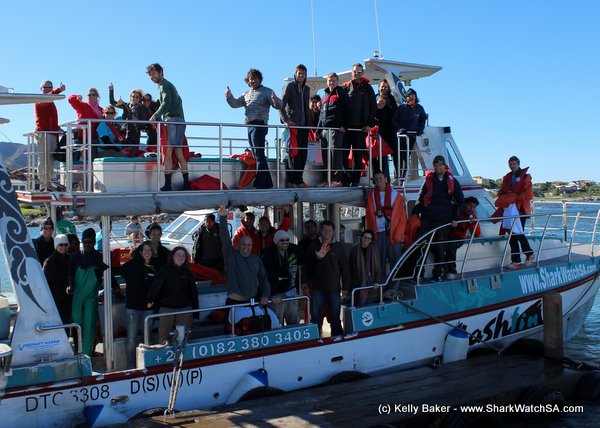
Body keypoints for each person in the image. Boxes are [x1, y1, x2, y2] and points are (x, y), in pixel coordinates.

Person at [226, 68, 283, 189]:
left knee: (258, 155)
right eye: (251, 79)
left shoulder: (267, 91)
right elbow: (235, 104)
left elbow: (279, 105)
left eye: (255, 78)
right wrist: (229, 97)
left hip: (259, 125)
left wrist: (275, 100)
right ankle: (267, 183)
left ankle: (259, 184)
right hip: (250, 126)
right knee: (257, 154)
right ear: (248, 80)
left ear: (260, 79)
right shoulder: (246, 94)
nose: (253, 81)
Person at [413, 155, 464, 281]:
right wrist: (415, 213)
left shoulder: (453, 182)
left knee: (439, 246)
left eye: (440, 165)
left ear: (444, 166)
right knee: (422, 245)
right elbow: (421, 198)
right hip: (427, 218)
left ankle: (438, 274)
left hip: (443, 219)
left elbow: (460, 201)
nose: (438, 167)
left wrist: (455, 218)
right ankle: (418, 274)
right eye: (436, 165)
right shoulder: (428, 181)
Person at [146, 63, 189, 191]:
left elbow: (166, 103)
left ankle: (168, 185)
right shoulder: (169, 85)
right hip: (180, 120)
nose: (152, 77)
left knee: (168, 152)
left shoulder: (163, 85)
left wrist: (155, 115)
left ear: (161, 72)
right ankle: (186, 184)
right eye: (150, 75)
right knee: (179, 152)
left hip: (171, 120)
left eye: (154, 73)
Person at [218, 204, 270, 309]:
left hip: (253, 303)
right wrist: (223, 217)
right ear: (238, 245)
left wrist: (265, 295)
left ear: (252, 246)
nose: (246, 247)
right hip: (234, 304)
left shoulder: (256, 259)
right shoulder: (231, 256)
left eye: (249, 245)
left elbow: (264, 279)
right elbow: (225, 238)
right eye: (243, 245)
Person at [306, 220, 350, 339]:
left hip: (334, 289)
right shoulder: (314, 245)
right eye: (325, 230)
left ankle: (337, 339)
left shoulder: (338, 246)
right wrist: (317, 258)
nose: (327, 232)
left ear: (333, 232)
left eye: (330, 230)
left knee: (335, 317)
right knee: (315, 317)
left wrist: (345, 287)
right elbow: (307, 266)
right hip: (317, 288)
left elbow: (345, 268)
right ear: (321, 231)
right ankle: (315, 340)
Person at [116, 241, 156, 366]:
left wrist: (153, 301)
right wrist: (116, 289)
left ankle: (146, 363)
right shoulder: (131, 265)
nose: (147, 252)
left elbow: (158, 287)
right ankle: (131, 365)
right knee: (132, 338)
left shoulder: (155, 268)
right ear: (140, 252)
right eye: (145, 250)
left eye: (149, 250)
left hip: (148, 308)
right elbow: (115, 271)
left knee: (147, 338)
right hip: (133, 307)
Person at [69, 228, 108, 356]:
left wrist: (116, 288)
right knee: (77, 324)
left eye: (90, 242)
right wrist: (70, 286)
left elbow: (108, 274)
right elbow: (70, 274)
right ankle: (78, 352)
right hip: (77, 296)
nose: (87, 244)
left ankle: (87, 355)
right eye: (85, 242)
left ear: (94, 242)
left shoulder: (99, 257)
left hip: (91, 297)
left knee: (89, 326)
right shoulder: (74, 256)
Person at [147, 246, 198, 343]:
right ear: (173, 256)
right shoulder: (165, 270)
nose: (180, 257)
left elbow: (193, 292)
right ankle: (162, 352)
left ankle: (182, 352)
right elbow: (156, 286)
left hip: (184, 308)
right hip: (167, 308)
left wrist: (196, 311)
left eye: (183, 255)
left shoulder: (188, 273)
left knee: (183, 337)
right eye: (178, 255)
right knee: (163, 335)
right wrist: (150, 299)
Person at [365, 171, 407, 287]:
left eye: (380, 178)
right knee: (379, 263)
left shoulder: (395, 195)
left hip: (392, 234)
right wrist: (370, 236)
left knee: (395, 262)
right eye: (376, 179)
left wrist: (398, 236)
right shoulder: (371, 196)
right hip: (377, 234)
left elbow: (402, 219)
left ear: (386, 179)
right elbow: (369, 217)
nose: (378, 180)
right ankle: (381, 289)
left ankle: (394, 289)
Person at [342, 63, 377, 187]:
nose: (357, 74)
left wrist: (369, 125)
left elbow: (373, 107)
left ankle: (355, 180)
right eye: (355, 72)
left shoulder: (368, 88)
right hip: (347, 127)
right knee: (344, 154)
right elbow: (340, 106)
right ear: (351, 73)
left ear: (362, 73)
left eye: (359, 72)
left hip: (361, 128)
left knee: (358, 155)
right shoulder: (346, 87)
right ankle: (346, 179)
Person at [498, 156, 534, 268]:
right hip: (509, 209)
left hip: (520, 210)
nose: (512, 166)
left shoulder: (526, 177)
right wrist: (505, 198)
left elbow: (529, 194)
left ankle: (529, 253)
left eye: (514, 164)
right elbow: (501, 191)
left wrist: (515, 198)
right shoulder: (507, 177)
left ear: (518, 164)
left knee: (518, 233)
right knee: (511, 235)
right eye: (510, 164)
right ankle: (516, 261)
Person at [262, 230, 305, 325]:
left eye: (287, 240)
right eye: (282, 240)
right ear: (276, 241)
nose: (285, 242)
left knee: (294, 321)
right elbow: (269, 276)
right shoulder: (269, 254)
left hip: (291, 291)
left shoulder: (293, 249)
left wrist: (317, 257)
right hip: (277, 295)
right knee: (277, 323)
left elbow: (306, 259)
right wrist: (273, 294)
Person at [280, 64, 311, 188]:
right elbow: (281, 105)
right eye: (299, 73)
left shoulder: (307, 89)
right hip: (293, 125)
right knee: (294, 153)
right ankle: (293, 181)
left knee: (303, 154)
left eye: (303, 73)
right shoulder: (289, 87)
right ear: (295, 74)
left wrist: (309, 123)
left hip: (304, 126)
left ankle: (299, 180)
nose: (301, 75)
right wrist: (285, 120)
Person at [318, 72, 350, 187]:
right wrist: (318, 129)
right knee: (325, 155)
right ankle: (327, 179)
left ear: (337, 81)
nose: (331, 82)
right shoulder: (325, 95)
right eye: (330, 80)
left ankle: (337, 179)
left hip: (336, 129)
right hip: (324, 129)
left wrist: (345, 126)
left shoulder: (341, 93)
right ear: (327, 82)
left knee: (335, 154)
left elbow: (349, 110)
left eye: (334, 80)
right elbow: (322, 114)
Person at [34, 80, 66, 191]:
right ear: (41, 89)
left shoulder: (50, 102)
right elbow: (47, 98)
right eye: (45, 87)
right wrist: (58, 90)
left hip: (52, 134)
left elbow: (50, 119)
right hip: (44, 134)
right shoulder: (39, 100)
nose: (48, 89)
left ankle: (48, 184)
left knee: (51, 160)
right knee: (44, 159)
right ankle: (44, 185)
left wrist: (58, 129)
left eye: (50, 87)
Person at [392, 88, 427, 180]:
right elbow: (395, 120)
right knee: (400, 156)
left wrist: (420, 129)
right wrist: (400, 129)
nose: (410, 97)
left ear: (415, 97)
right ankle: (398, 177)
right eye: (408, 96)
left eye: (412, 95)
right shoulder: (401, 108)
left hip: (412, 137)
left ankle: (403, 177)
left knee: (406, 157)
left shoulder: (419, 108)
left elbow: (423, 119)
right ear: (406, 98)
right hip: (402, 137)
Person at [447, 196, 481, 279]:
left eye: (474, 207)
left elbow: (476, 234)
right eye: (469, 205)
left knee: (451, 247)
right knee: (438, 247)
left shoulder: (472, 217)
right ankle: (441, 270)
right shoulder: (455, 211)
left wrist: (473, 223)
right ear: (464, 204)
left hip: (459, 238)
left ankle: (452, 272)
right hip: (447, 236)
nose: (471, 209)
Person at [43, 234, 71, 325]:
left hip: (66, 298)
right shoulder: (50, 261)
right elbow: (45, 282)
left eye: (66, 244)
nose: (63, 247)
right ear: (56, 246)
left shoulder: (68, 258)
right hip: (55, 298)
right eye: (61, 245)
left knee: (66, 322)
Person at [68, 88, 103, 157]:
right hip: (82, 135)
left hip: (94, 136)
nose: (91, 96)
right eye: (89, 95)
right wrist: (77, 96)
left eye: (93, 94)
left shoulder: (101, 110)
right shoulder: (82, 105)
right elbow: (70, 99)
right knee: (76, 157)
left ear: (97, 96)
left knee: (93, 156)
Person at [349, 230, 381, 306]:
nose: (366, 240)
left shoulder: (374, 250)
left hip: (371, 286)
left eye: (369, 238)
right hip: (357, 285)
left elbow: (378, 268)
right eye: (365, 237)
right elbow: (350, 268)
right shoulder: (354, 250)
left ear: (371, 241)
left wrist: (377, 281)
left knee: (369, 309)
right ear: (361, 238)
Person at [373, 80, 398, 178]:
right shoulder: (374, 98)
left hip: (390, 131)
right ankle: (379, 177)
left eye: (386, 87)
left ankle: (395, 177)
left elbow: (395, 114)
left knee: (393, 154)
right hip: (377, 132)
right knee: (378, 156)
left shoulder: (392, 99)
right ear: (379, 87)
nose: (383, 88)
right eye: (382, 86)